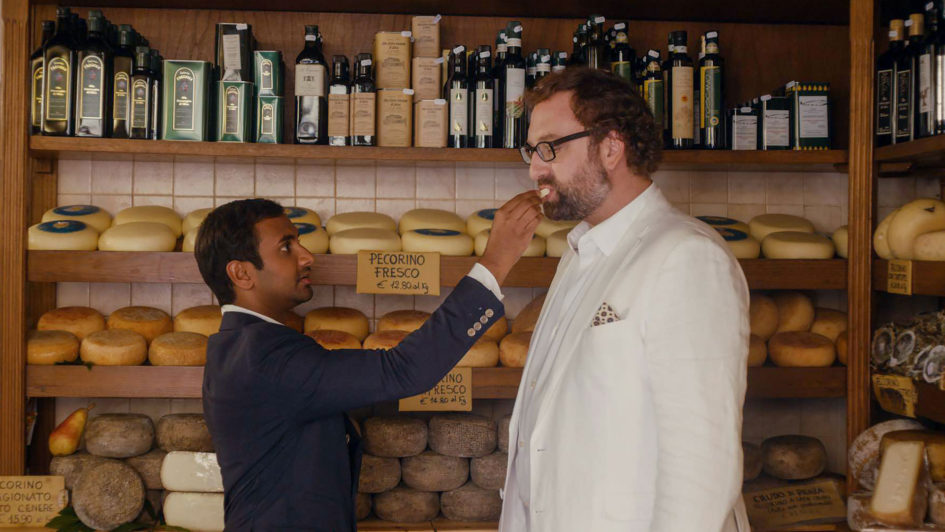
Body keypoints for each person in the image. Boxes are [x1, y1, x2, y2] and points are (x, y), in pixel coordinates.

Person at [499, 67, 751, 531]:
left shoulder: (686, 257)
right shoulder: (580, 251)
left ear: (610, 147)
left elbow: (702, 463)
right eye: (531, 150)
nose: (536, 168)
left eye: (550, 147)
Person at [194, 195, 540, 531]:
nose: (307, 256)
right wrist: (496, 260)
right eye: (286, 247)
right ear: (241, 274)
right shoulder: (264, 357)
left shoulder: (240, 343)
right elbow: (404, 369)